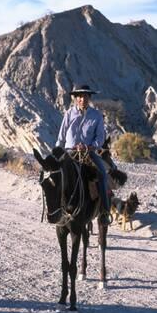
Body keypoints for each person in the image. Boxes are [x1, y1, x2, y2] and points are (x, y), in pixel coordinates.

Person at [56, 83, 111, 222]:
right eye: (79, 96)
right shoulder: (69, 114)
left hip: (88, 153)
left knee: (102, 173)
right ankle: (54, 208)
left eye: (85, 96)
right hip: (69, 153)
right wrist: (56, 152)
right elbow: (61, 137)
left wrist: (89, 147)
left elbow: (100, 138)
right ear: (75, 98)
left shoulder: (96, 115)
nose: (82, 99)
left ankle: (105, 211)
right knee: (54, 174)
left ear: (89, 97)